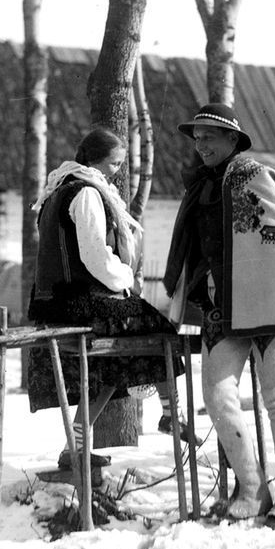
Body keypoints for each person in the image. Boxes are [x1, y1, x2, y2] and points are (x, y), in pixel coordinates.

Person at [163, 103, 275, 526]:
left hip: (261, 306)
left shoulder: (255, 179)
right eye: (197, 137)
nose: (200, 144)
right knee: (217, 395)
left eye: (209, 136)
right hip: (220, 309)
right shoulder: (200, 188)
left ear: (232, 140)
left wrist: (272, 297)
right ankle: (252, 486)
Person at [27, 127, 192, 470]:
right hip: (79, 301)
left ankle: (74, 448)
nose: (118, 171)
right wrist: (126, 278)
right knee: (158, 327)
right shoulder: (86, 193)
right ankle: (170, 413)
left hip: (55, 300)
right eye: (116, 164)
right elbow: (94, 256)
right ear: (98, 161)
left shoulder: (57, 190)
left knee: (108, 368)